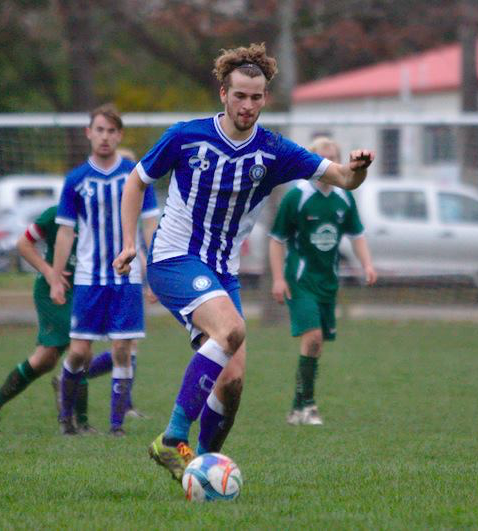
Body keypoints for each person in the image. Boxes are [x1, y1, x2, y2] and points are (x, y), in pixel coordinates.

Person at [113, 43, 374, 482]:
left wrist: (358, 168)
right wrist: (128, 244)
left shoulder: (275, 150)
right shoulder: (184, 136)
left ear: (264, 99)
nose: (247, 105)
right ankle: (172, 437)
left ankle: (199, 467)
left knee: (231, 383)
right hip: (174, 257)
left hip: (222, 272)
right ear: (223, 94)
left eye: (256, 97)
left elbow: (345, 179)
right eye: (239, 96)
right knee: (232, 330)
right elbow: (135, 183)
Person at [0, 204, 130, 434]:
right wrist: (49, 271)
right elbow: (23, 244)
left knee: (45, 359)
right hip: (54, 291)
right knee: (81, 348)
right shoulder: (57, 214)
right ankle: (79, 422)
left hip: (85, 291)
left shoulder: (106, 218)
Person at [51, 104, 159, 436]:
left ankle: (116, 426)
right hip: (88, 278)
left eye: (112, 131)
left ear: (119, 135)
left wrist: (152, 271)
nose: (105, 137)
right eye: (99, 130)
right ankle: (66, 417)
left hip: (126, 278)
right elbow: (66, 231)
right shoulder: (76, 180)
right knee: (80, 351)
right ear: (89, 133)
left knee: (122, 349)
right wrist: (56, 276)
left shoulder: (137, 176)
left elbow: (150, 225)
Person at [269, 137, 377, 426]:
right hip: (300, 279)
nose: (328, 165)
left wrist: (366, 264)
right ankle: (308, 405)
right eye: (323, 160)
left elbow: (357, 235)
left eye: (334, 159)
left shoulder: (344, 197)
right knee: (313, 337)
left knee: (317, 345)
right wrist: (278, 279)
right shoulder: (297, 196)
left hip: (328, 281)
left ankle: (298, 407)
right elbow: (276, 240)